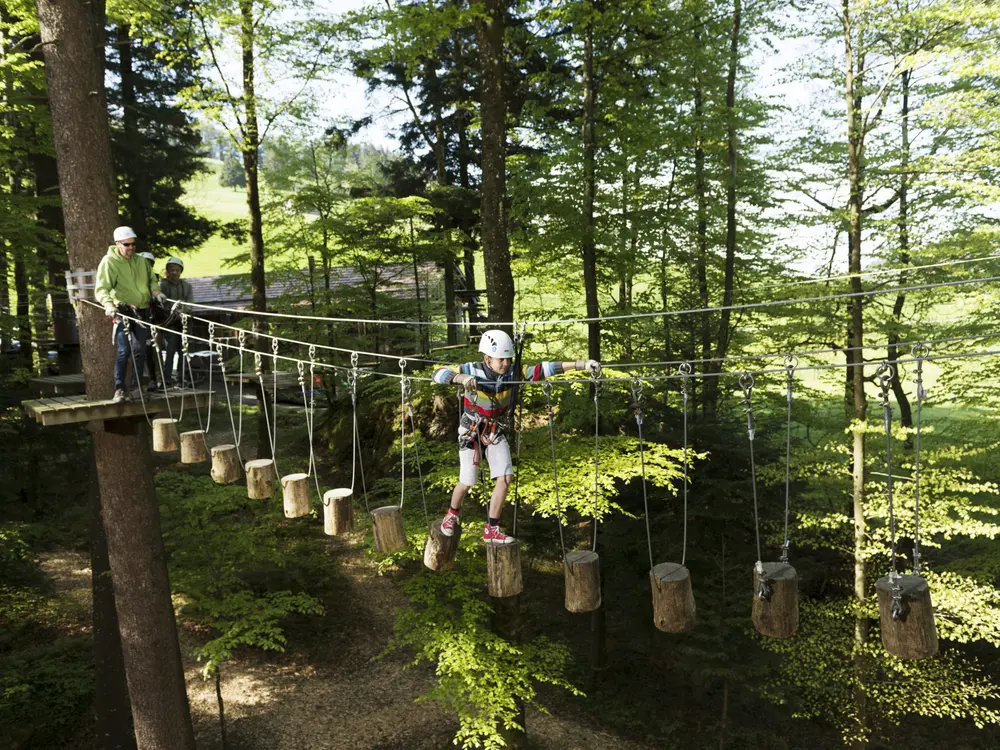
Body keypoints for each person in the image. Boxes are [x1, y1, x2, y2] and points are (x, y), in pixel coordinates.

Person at [433, 330, 599, 544]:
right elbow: (437, 373)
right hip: (471, 430)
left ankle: (492, 528)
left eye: (508, 359)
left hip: (496, 431)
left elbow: (544, 369)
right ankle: (451, 515)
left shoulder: (514, 373)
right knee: (467, 480)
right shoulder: (471, 369)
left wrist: (582, 364)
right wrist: (459, 377)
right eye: (500, 359)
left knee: (505, 477)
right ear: (487, 359)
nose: (505, 363)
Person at [95, 226, 165, 403]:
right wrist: (109, 304)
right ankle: (119, 389)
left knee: (139, 350)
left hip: (142, 311)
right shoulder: (109, 262)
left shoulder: (140, 261)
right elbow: (102, 288)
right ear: (118, 244)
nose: (131, 248)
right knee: (124, 351)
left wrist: (156, 293)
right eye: (127, 244)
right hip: (123, 312)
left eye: (133, 244)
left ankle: (136, 388)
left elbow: (151, 280)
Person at [158, 257, 194, 390]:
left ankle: (181, 378)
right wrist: (173, 313)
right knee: (170, 350)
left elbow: (190, 303)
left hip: (184, 322)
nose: (174, 272)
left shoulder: (187, 286)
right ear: (167, 271)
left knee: (183, 351)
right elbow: (163, 303)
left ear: (181, 271)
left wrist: (183, 312)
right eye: (171, 270)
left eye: (177, 270)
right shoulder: (163, 285)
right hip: (170, 322)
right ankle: (167, 379)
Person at [138, 253, 161, 390]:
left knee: (156, 350)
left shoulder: (155, 280)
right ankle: (150, 379)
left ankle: (159, 378)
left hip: (154, 319)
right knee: (144, 350)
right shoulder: (135, 278)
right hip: (142, 318)